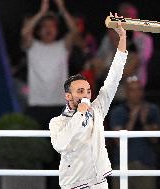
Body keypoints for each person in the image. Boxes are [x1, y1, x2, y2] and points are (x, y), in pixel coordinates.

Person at [49, 13, 127, 189]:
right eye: (80, 91)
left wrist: (122, 38)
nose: (86, 94)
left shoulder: (97, 109)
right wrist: (80, 113)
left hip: (99, 182)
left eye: (88, 90)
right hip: (74, 185)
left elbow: (113, 78)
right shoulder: (57, 122)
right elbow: (62, 144)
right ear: (68, 96)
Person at [21, 0, 78, 128]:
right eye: (45, 26)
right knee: (35, 144)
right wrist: (41, 13)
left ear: (57, 30)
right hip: (36, 104)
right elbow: (25, 32)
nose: (48, 29)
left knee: (60, 145)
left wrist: (62, 9)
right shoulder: (32, 46)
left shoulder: (62, 46)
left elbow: (74, 31)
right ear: (39, 30)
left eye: (52, 26)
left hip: (60, 104)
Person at [109, 76, 160, 189]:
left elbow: (155, 139)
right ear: (127, 92)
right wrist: (132, 120)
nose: (137, 93)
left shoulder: (152, 109)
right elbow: (118, 141)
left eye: (139, 89)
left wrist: (145, 122)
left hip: (146, 164)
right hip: (123, 165)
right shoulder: (117, 112)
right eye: (133, 90)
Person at [96, 2, 153, 87]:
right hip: (110, 85)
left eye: (129, 15)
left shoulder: (145, 39)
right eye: (123, 15)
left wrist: (105, 68)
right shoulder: (109, 38)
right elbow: (99, 58)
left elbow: (138, 62)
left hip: (134, 85)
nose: (126, 18)